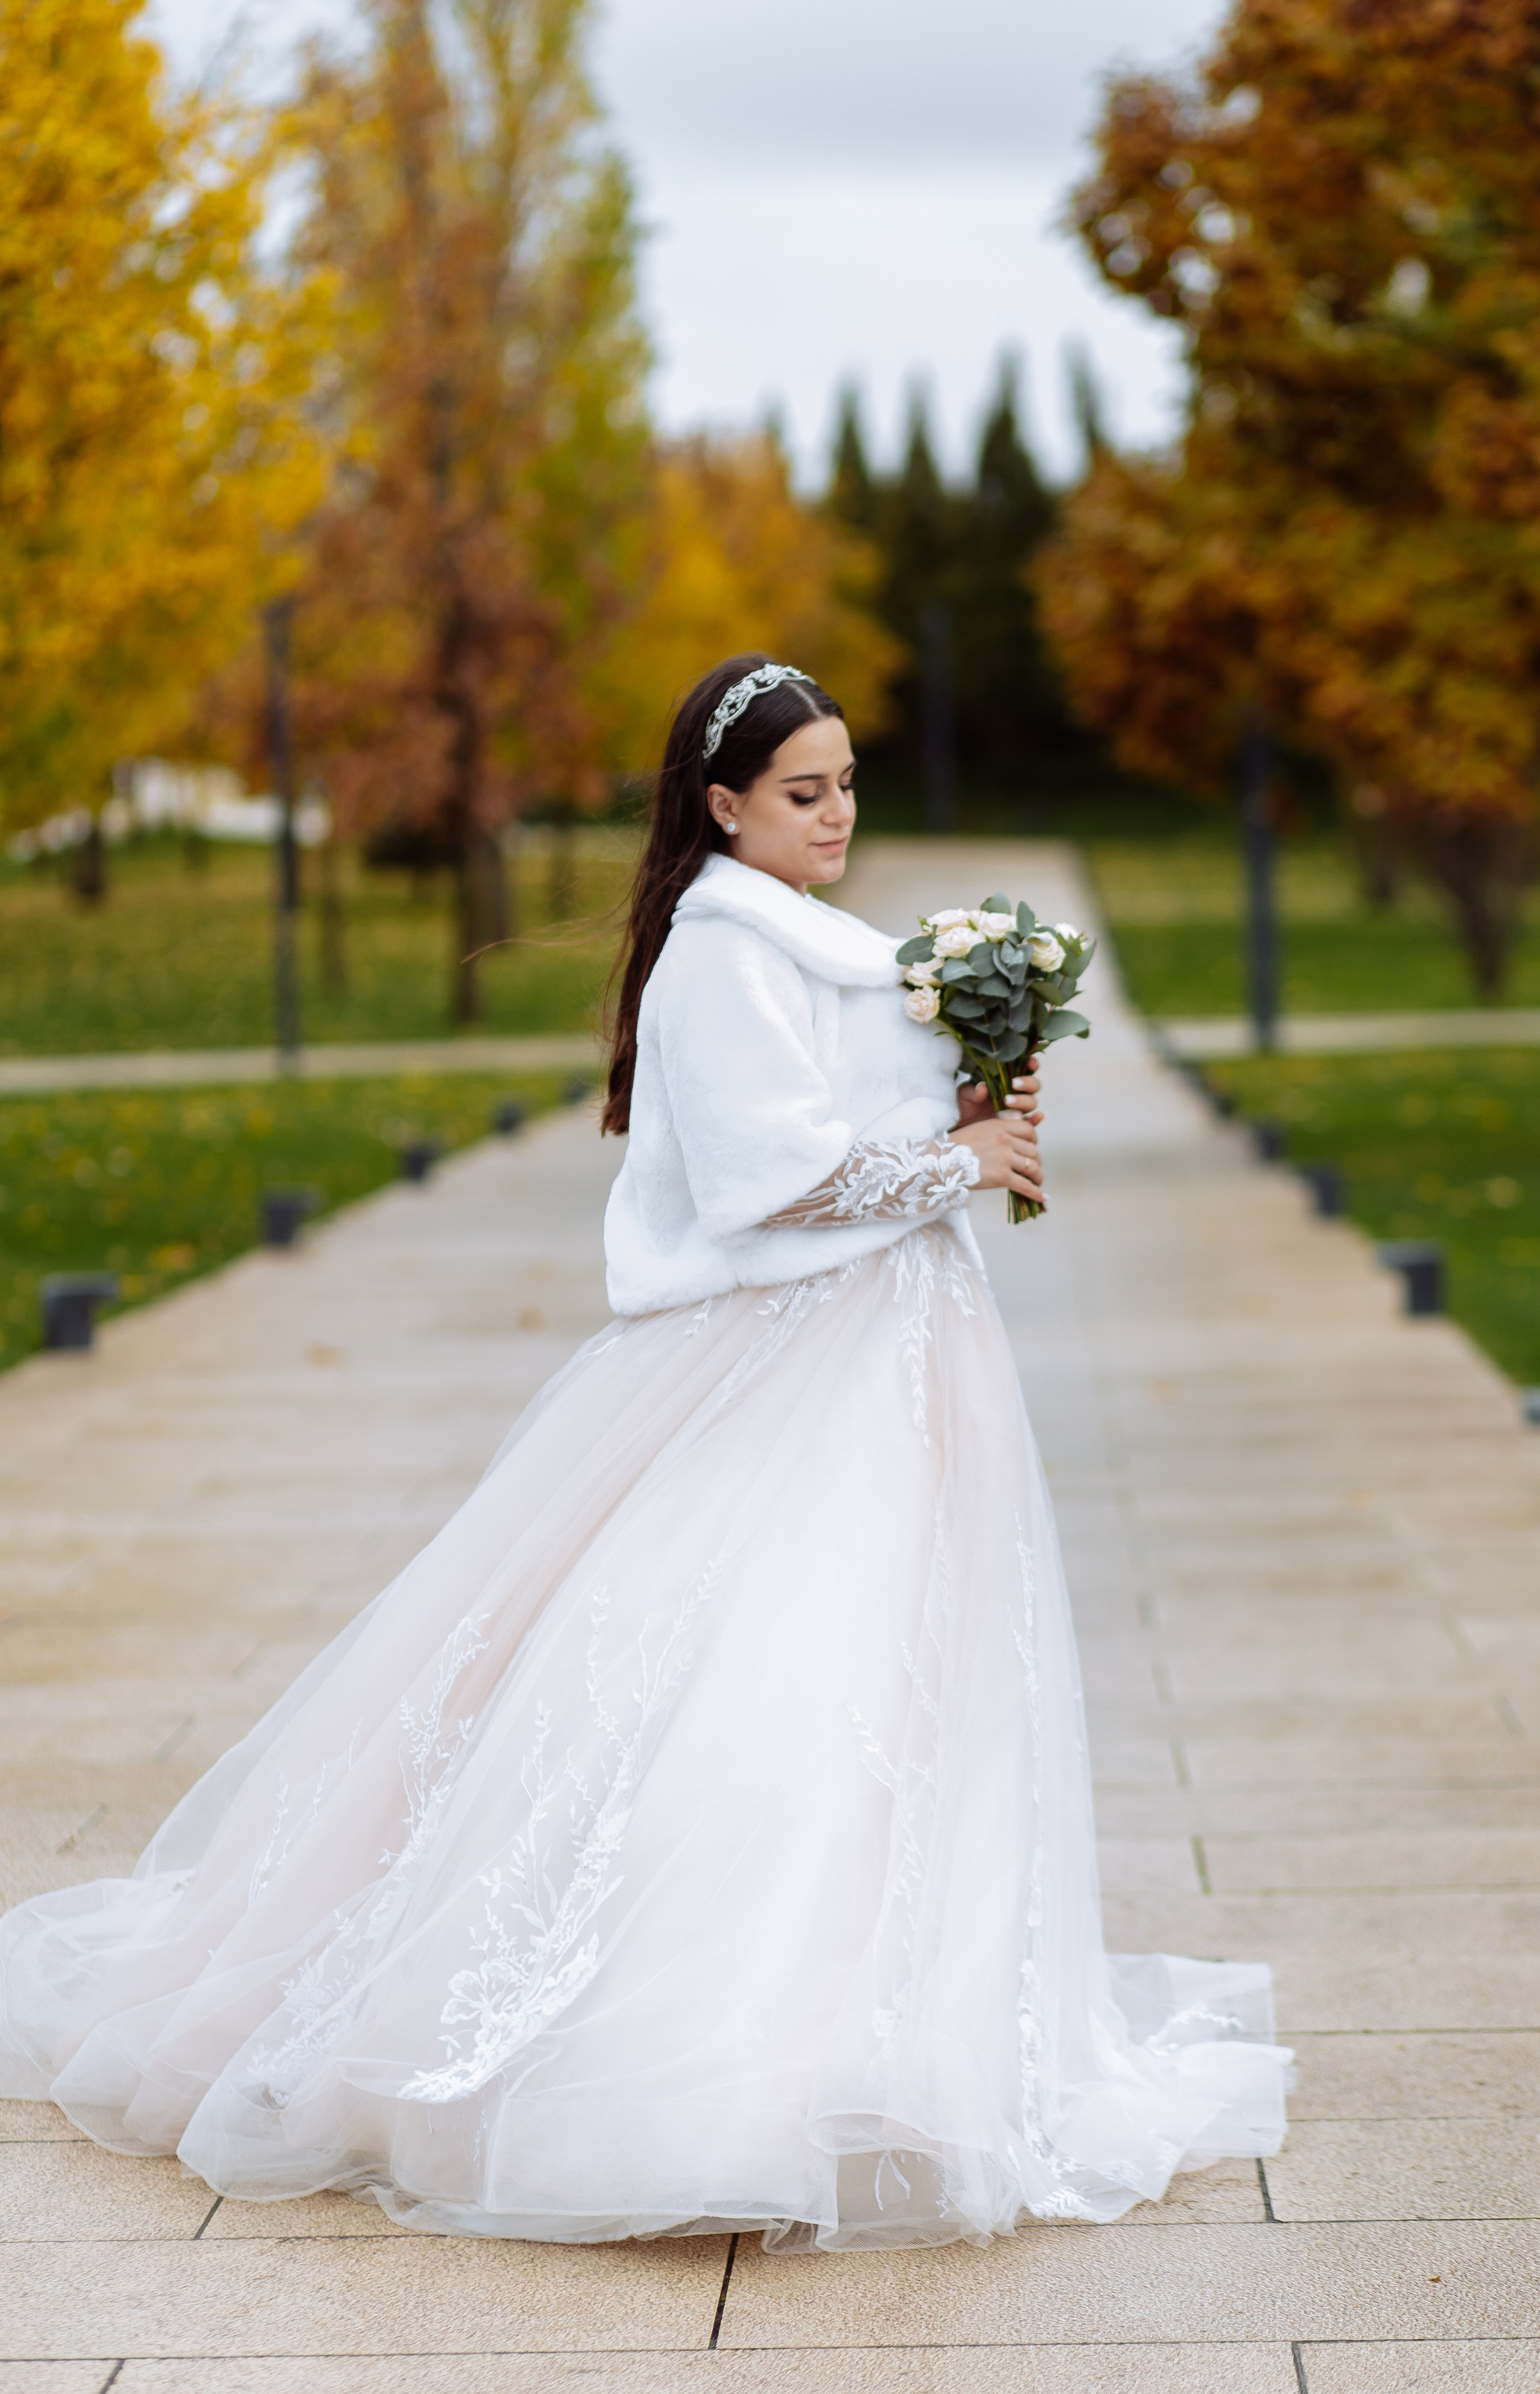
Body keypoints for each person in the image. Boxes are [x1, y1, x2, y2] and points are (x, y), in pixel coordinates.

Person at [0, 655, 1288, 2250]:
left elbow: (848, 1126)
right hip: (777, 1368)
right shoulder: (719, 958)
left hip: (891, 1356)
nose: (834, 815)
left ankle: (872, 2034)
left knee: (899, 1689)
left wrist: (965, 1102)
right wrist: (952, 1155)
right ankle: (696, 2066)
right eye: (801, 791)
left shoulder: (812, 942)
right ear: (722, 803)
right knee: (767, 1690)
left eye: (845, 784)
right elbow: (764, 1185)